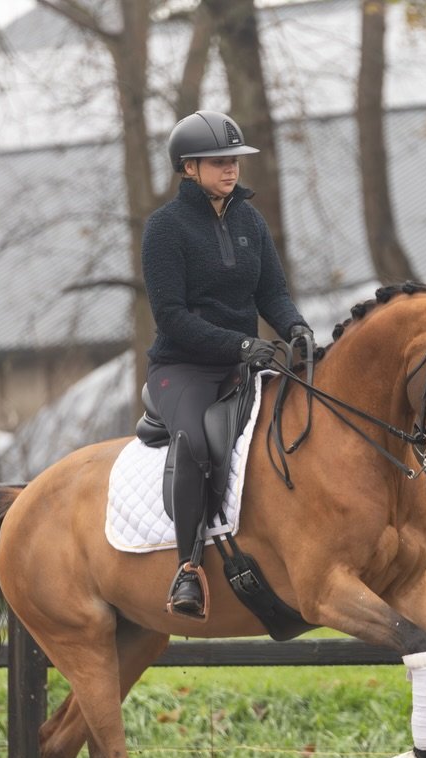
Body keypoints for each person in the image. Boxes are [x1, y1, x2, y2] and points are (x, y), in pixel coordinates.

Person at [142, 110, 311, 620]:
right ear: (189, 168)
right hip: (184, 368)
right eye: (218, 161)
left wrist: (296, 328)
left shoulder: (249, 221)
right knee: (194, 444)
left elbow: (272, 293)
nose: (231, 168)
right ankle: (188, 568)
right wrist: (238, 345)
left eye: (234, 159)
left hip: (245, 363)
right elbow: (171, 317)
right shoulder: (164, 228)